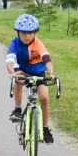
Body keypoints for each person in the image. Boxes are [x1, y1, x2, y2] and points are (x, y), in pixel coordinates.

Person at [6, 14, 57, 144]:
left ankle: (45, 129)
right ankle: (17, 109)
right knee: (19, 79)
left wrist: (51, 72)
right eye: (23, 33)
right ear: (18, 32)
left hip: (38, 71)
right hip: (22, 69)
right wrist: (13, 73)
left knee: (44, 97)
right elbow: (10, 62)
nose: (27, 36)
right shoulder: (15, 43)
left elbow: (47, 60)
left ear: (35, 33)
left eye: (30, 33)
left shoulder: (38, 44)